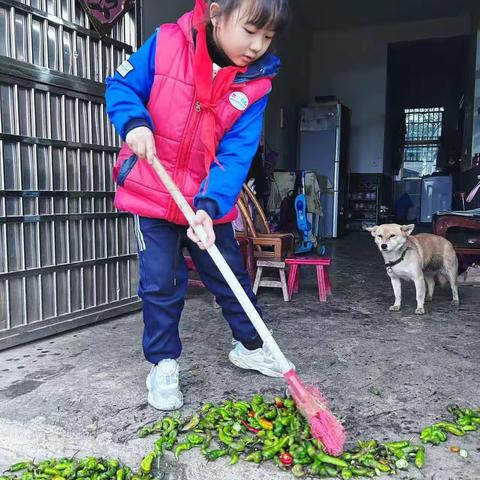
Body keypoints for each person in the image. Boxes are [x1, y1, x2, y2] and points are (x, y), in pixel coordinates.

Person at [105, 0, 293, 411]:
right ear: (218, 13)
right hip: (154, 192)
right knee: (161, 284)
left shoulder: (256, 84)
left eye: (268, 37)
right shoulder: (167, 42)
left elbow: (237, 152)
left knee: (229, 278)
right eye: (250, 31)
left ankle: (250, 346)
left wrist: (209, 205)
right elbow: (120, 86)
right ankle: (163, 363)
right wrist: (134, 122)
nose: (258, 45)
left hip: (207, 200)